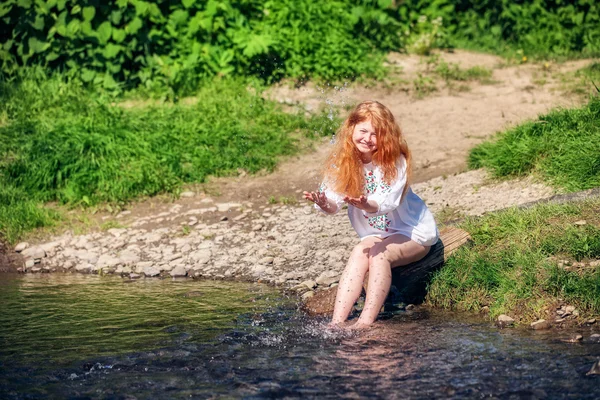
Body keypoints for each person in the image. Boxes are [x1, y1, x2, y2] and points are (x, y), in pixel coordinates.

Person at [303, 101, 438, 329]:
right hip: (377, 233)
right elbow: (334, 203)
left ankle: (365, 323)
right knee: (359, 252)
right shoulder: (344, 162)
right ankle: (336, 323)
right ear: (351, 129)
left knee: (378, 255)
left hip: (412, 232)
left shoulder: (396, 160)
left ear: (386, 136)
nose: (367, 138)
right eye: (363, 131)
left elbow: (388, 202)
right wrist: (324, 203)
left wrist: (366, 204)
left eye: (375, 134)